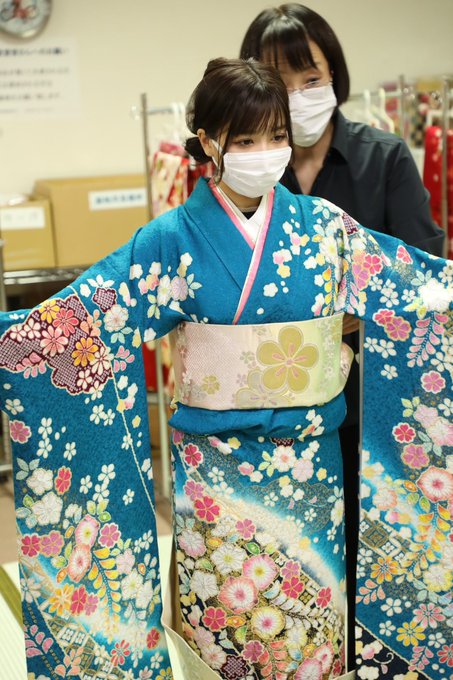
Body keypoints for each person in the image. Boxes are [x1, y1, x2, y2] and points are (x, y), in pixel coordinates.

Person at [0, 58, 451, 680]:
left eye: (277, 136)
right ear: (209, 142)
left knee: (310, 634)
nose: (266, 153)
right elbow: (86, 318)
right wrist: (17, 344)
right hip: (215, 477)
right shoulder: (171, 239)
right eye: (246, 140)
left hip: (309, 470)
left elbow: (416, 290)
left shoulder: (325, 229)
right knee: (228, 635)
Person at [240, 5, 446, 666]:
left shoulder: (382, 159)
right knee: (284, 580)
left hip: (370, 406)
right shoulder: (244, 170)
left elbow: (424, 278)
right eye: (277, 82)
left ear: (334, 76)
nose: (296, 96)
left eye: (310, 77)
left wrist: (349, 309)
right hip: (271, 415)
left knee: (377, 564)